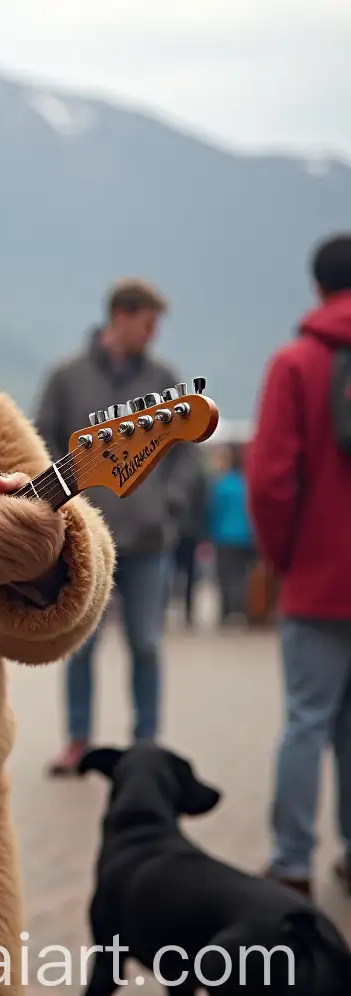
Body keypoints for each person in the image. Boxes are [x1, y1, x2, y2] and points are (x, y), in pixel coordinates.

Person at [34, 278, 196, 774]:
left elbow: (185, 452)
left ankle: (145, 743)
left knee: (146, 644)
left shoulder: (166, 378)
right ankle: (78, 742)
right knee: (80, 644)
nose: (154, 334)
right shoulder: (68, 376)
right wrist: (59, 511)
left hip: (150, 542)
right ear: (121, 318)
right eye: (149, 324)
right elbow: (39, 443)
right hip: (85, 542)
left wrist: (169, 502)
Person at [247, 233, 351, 899]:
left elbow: (270, 482)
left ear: (317, 287)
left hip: (317, 581)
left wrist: (286, 559)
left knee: (306, 723)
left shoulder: (296, 363)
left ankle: (291, 862)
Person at [208, 443, 256, 624]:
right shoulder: (246, 484)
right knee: (242, 576)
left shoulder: (221, 485)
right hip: (245, 537)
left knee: (225, 577)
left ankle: (227, 612)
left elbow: (214, 511)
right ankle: (240, 610)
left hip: (224, 537)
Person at [172, 453, 209, 628]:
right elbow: (204, 504)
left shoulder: (168, 462)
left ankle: (165, 611)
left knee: (171, 571)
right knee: (190, 574)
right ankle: (188, 613)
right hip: (190, 530)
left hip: (178, 529)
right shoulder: (199, 470)